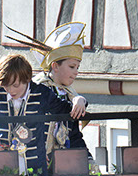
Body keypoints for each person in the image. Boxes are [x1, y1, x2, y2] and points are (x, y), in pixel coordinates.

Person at [0, 54, 84, 176]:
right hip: (4, 166)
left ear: (26, 79)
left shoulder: (41, 93)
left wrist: (79, 100)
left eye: (15, 85)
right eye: (6, 85)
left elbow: (65, 110)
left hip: (35, 167)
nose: (10, 90)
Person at [29, 22, 91, 161]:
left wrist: (80, 100)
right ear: (55, 66)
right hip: (37, 157)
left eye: (77, 68)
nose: (76, 72)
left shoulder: (70, 94)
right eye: (72, 67)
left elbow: (74, 134)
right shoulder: (37, 88)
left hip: (63, 159)